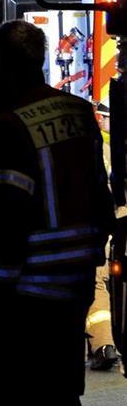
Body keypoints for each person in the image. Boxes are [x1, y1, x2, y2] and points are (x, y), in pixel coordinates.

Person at [0, 20, 114, 406]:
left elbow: (0, 224)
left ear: (5, 65)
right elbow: (100, 202)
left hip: (20, 305)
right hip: (71, 296)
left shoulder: (8, 129)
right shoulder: (78, 113)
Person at [86, 102, 122, 371]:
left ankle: (104, 345)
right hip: (117, 226)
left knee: (97, 285)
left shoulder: (92, 150)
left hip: (103, 228)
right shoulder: (110, 149)